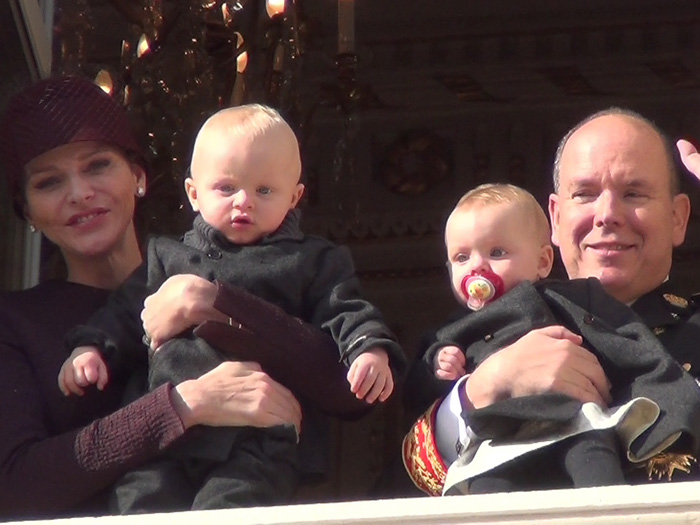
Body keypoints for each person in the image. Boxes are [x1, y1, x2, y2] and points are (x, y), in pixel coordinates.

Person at [58, 104, 405, 513]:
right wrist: (91, 349)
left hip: (258, 435)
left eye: (264, 191)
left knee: (231, 508)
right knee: (139, 501)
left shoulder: (312, 261)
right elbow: (123, 314)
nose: (244, 202)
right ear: (193, 193)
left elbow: (345, 310)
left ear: (294, 198)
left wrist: (368, 348)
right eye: (226, 188)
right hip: (167, 434)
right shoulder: (165, 257)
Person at [0, 76, 302, 520]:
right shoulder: (13, 322)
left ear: (139, 177)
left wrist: (214, 301)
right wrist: (186, 404)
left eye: (98, 165)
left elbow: (349, 387)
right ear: (27, 212)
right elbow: (15, 487)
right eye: (48, 183)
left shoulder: (225, 271)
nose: (79, 193)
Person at [403, 107, 700, 495]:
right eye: (585, 194)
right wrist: (484, 387)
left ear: (678, 218)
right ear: (555, 219)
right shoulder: (475, 339)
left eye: (634, 193)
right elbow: (393, 494)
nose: (607, 215)